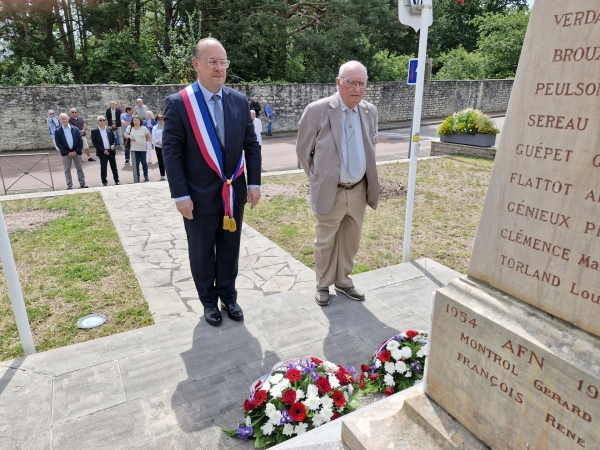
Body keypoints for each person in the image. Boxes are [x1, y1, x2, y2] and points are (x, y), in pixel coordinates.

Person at [162, 37, 261, 327]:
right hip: (198, 194)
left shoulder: (239, 100)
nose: (219, 68)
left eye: (223, 62)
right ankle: (208, 301)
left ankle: (228, 296)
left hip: (233, 192)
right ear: (196, 64)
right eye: (212, 61)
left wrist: (253, 183)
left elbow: (251, 144)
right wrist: (180, 194)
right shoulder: (180, 103)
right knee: (202, 251)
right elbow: (171, 151)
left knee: (230, 247)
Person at [296, 60, 379, 307]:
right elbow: (303, 151)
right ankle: (322, 284)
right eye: (351, 82)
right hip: (331, 189)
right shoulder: (317, 110)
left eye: (361, 83)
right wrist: (319, 178)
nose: (357, 89)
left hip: (358, 189)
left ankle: (343, 281)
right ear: (338, 82)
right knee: (325, 240)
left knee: (351, 239)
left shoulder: (369, 111)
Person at [54, 113, 88, 189]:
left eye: (65, 118)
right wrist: (67, 152)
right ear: (60, 120)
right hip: (66, 153)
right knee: (67, 170)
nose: (64, 120)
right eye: (62, 119)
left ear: (68, 119)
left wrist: (76, 151)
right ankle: (69, 185)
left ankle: (82, 183)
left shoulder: (75, 129)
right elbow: (58, 143)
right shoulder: (57, 131)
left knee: (79, 168)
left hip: (77, 152)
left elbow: (80, 141)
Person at [91, 115, 120, 186]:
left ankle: (117, 180)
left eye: (103, 120)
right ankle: (104, 182)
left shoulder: (109, 129)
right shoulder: (94, 131)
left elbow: (114, 139)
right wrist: (103, 150)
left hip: (111, 151)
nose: (102, 121)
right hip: (102, 152)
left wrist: (113, 145)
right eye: (100, 120)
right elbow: (95, 143)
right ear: (98, 122)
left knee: (114, 167)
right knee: (103, 168)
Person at [124, 115, 151, 182]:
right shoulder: (130, 127)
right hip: (134, 149)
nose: (136, 121)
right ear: (132, 121)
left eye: (137, 120)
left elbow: (148, 137)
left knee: (144, 163)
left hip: (142, 149)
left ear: (140, 121)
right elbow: (125, 134)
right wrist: (130, 137)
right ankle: (137, 176)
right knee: (136, 164)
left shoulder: (144, 128)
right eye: (134, 120)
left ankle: (146, 176)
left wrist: (142, 142)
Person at [151, 114, 166, 181]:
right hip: (159, 147)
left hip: (167, 146)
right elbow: (154, 137)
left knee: (169, 161)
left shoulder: (167, 127)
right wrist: (159, 143)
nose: (160, 121)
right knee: (161, 161)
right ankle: (162, 175)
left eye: (161, 119)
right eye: (158, 119)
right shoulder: (155, 128)